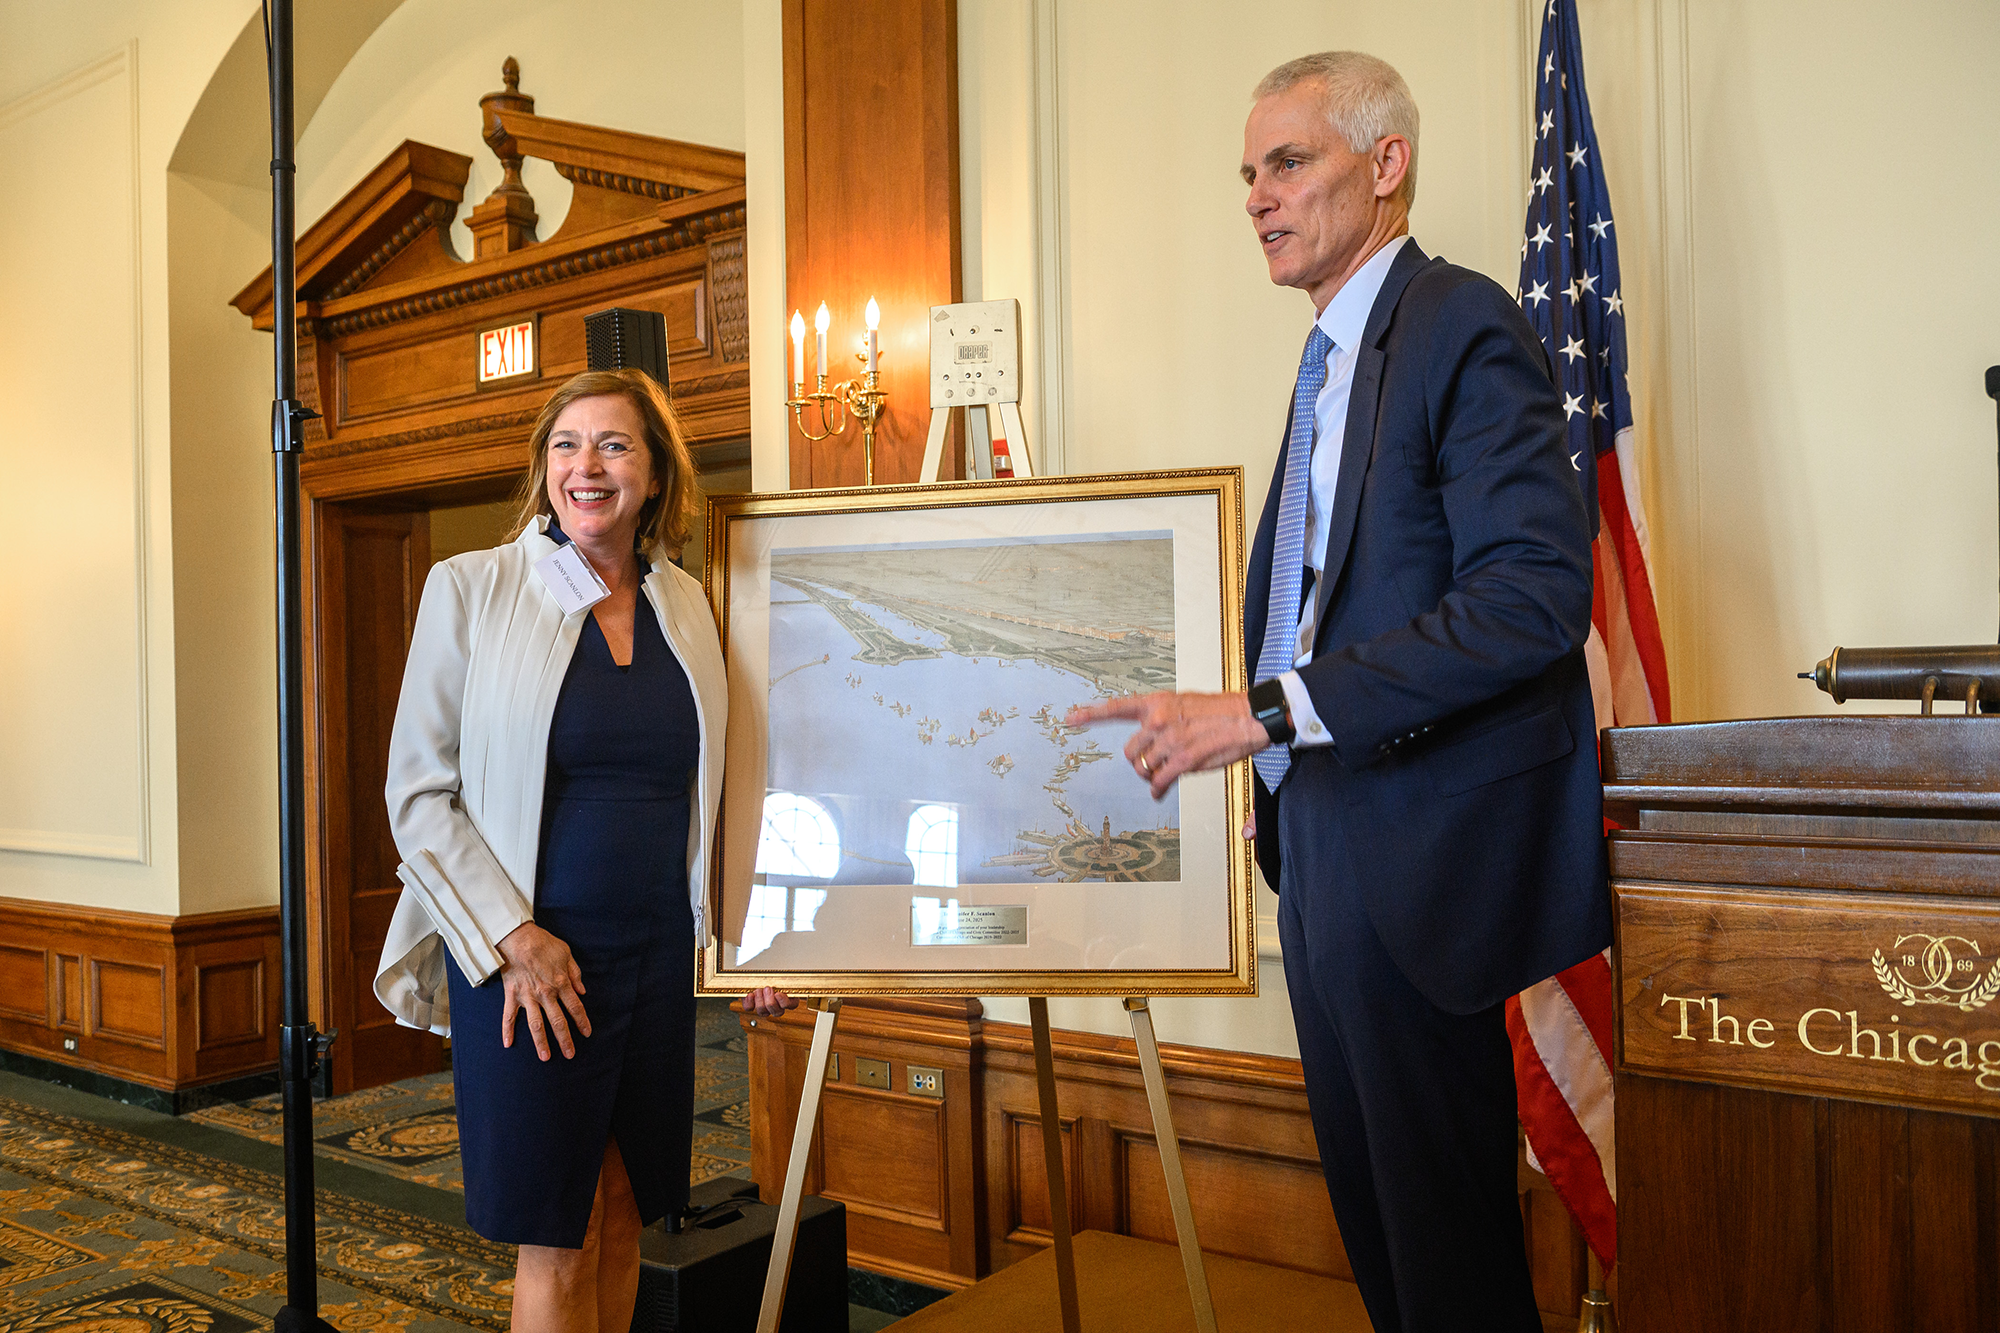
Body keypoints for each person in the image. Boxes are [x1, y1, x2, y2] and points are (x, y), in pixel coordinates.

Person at [1068, 52, 1607, 1330]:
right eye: (1247, 174)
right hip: (1318, 847)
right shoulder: (1327, 359)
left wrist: (1259, 711)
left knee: (1447, 1262)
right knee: (1383, 1240)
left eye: (1286, 162)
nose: (1256, 195)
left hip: (1422, 864)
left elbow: (1533, 596)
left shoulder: (1458, 321)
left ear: (1384, 164)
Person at [373, 368, 793, 1333]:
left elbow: (724, 786)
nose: (587, 466)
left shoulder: (686, 602)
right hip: (532, 964)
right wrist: (517, 938)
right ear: (543, 468)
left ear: (654, 473)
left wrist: (752, 937)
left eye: (614, 445)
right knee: (558, 1235)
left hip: (652, 960)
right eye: (567, 444)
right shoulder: (472, 589)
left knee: (623, 1216)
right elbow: (418, 793)